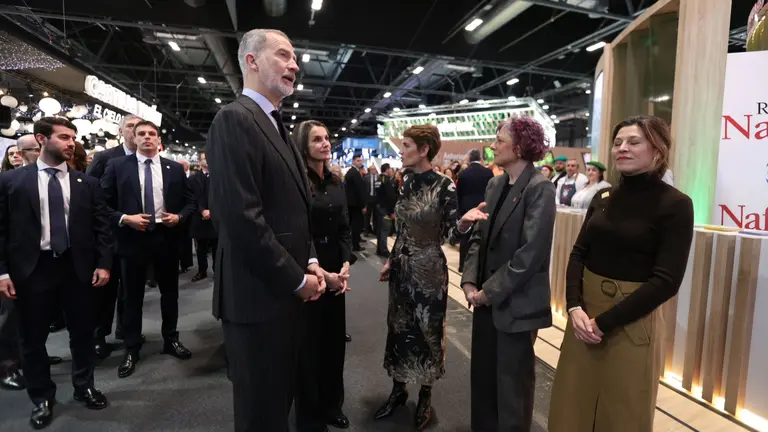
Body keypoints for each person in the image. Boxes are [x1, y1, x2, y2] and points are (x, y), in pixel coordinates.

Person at [206, 28, 326, 432]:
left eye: (295, 58)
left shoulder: (277, 125)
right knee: (261, 413)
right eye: (283, 55)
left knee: (278, 404)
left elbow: (294, 212)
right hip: (256, 299)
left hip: (281, 296)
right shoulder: (234, 120)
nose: (294, 65)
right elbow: (242, 220)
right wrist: (296, 280)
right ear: (251, 61)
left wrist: (309, 262)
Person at [548, 115, 694, 432]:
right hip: (583, 319)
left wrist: (604, 323)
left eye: (633, 142)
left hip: (632, 323)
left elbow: (666, 280)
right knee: (570, 409)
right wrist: (574, 307)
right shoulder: (603, 198)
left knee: (623, 414)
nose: (622, 148)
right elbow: (578, 254)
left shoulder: (676, 204)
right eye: (617, 143)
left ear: (658, 149)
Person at [0, 117, 113, 429]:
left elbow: (102, 227)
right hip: (32, 270)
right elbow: (1, 231)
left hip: (77, 268)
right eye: (63, 137)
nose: (71, 143)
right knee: (33, 338)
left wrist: (104, 263)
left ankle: (84, 386)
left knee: (82, 333)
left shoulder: (86, 183)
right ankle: (42, 397)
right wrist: (2, 273)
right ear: (41, 139)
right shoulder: (12, 182)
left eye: (73, 137)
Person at [375, 124, 485, 430]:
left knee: (428, 332)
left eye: (407, 144)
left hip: (429, 271)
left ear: (424, 150)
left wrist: (463, 222)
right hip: (402, 267)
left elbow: (449, 233)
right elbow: (404, 227)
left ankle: (425, 396)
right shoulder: (405, 180)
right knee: (398, 327)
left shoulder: (444, 185)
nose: (401, 149)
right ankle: (398, 390)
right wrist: (392, 259)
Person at [460, 116, 556, 431]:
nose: (492, 146)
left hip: (515, 304)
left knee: (512, 389)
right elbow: (479, 236)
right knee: (484, 380)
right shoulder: (495, 182)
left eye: (499, 140)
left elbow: (531, 254)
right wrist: (469, 279)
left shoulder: (540, 188)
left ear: (519, 146)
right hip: (486, 299)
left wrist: (491, 291)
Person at [101, 120, 195, 378]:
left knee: (170, 294)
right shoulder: (117, 166)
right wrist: (124, 218)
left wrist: (179, 217)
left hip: (166, 239)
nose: (146, 138)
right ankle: (131, 347)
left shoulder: (174, 168)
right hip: (132, 239)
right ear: (133, 136)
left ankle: (171, 339)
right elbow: (101, 204)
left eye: (151, 134)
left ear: (158, 139)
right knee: (132, 297)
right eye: (141, 133)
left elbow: (190, 202)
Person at [294, 120, 352, 432]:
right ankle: (310, 412)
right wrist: (317, 269)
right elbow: (300, 231)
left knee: (333, 343)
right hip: (308, 267)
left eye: (327, 138)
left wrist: (345, 265)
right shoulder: (297, 182)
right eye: (317, 139)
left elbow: (345, 227)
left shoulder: (336, 181)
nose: (325, 143)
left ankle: (333, 405)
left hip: (335, 270)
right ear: (303, 145)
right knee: (308, 345)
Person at [86, 114, 143, 358]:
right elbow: (90, 193)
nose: (134, 131)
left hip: (137, 237)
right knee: (104, 292)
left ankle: (126, 330)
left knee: (131, 291)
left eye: (138, 127)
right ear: (121, 132)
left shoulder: (148, 161)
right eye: (130, 126)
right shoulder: (105, 158)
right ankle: (98, 336)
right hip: (109, 236)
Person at [456, 148, 494, 272]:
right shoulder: (488, 172)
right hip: (483, 207)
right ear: (480, 159)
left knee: (465, 237)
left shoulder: (463, 173)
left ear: (469, 159)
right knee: (481, 236)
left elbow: (459, 193)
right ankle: (479, 266)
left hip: (466, 207)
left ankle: (462, 265)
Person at [188, 151, 217, 282]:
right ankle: (202, 270)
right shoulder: (192, 179)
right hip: (199, 218)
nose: (207, 160)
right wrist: (202, 210)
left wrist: (213, 211)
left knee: (217, 247)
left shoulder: (220, 177)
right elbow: (191, 198)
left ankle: (218, 271)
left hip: (216, 218)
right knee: (201, 248)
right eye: (204, 158)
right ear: (200, 162)